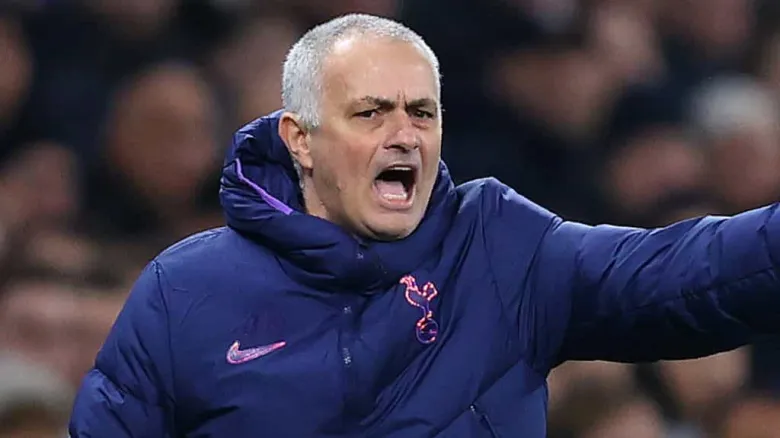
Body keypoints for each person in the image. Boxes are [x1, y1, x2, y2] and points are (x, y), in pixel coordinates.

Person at [68, 14, 780, 437]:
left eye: (422, 112)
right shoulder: (183, 290)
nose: (405, 134)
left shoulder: (499, 248)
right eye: (371, 112)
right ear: (300, 139)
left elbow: (689, 273)